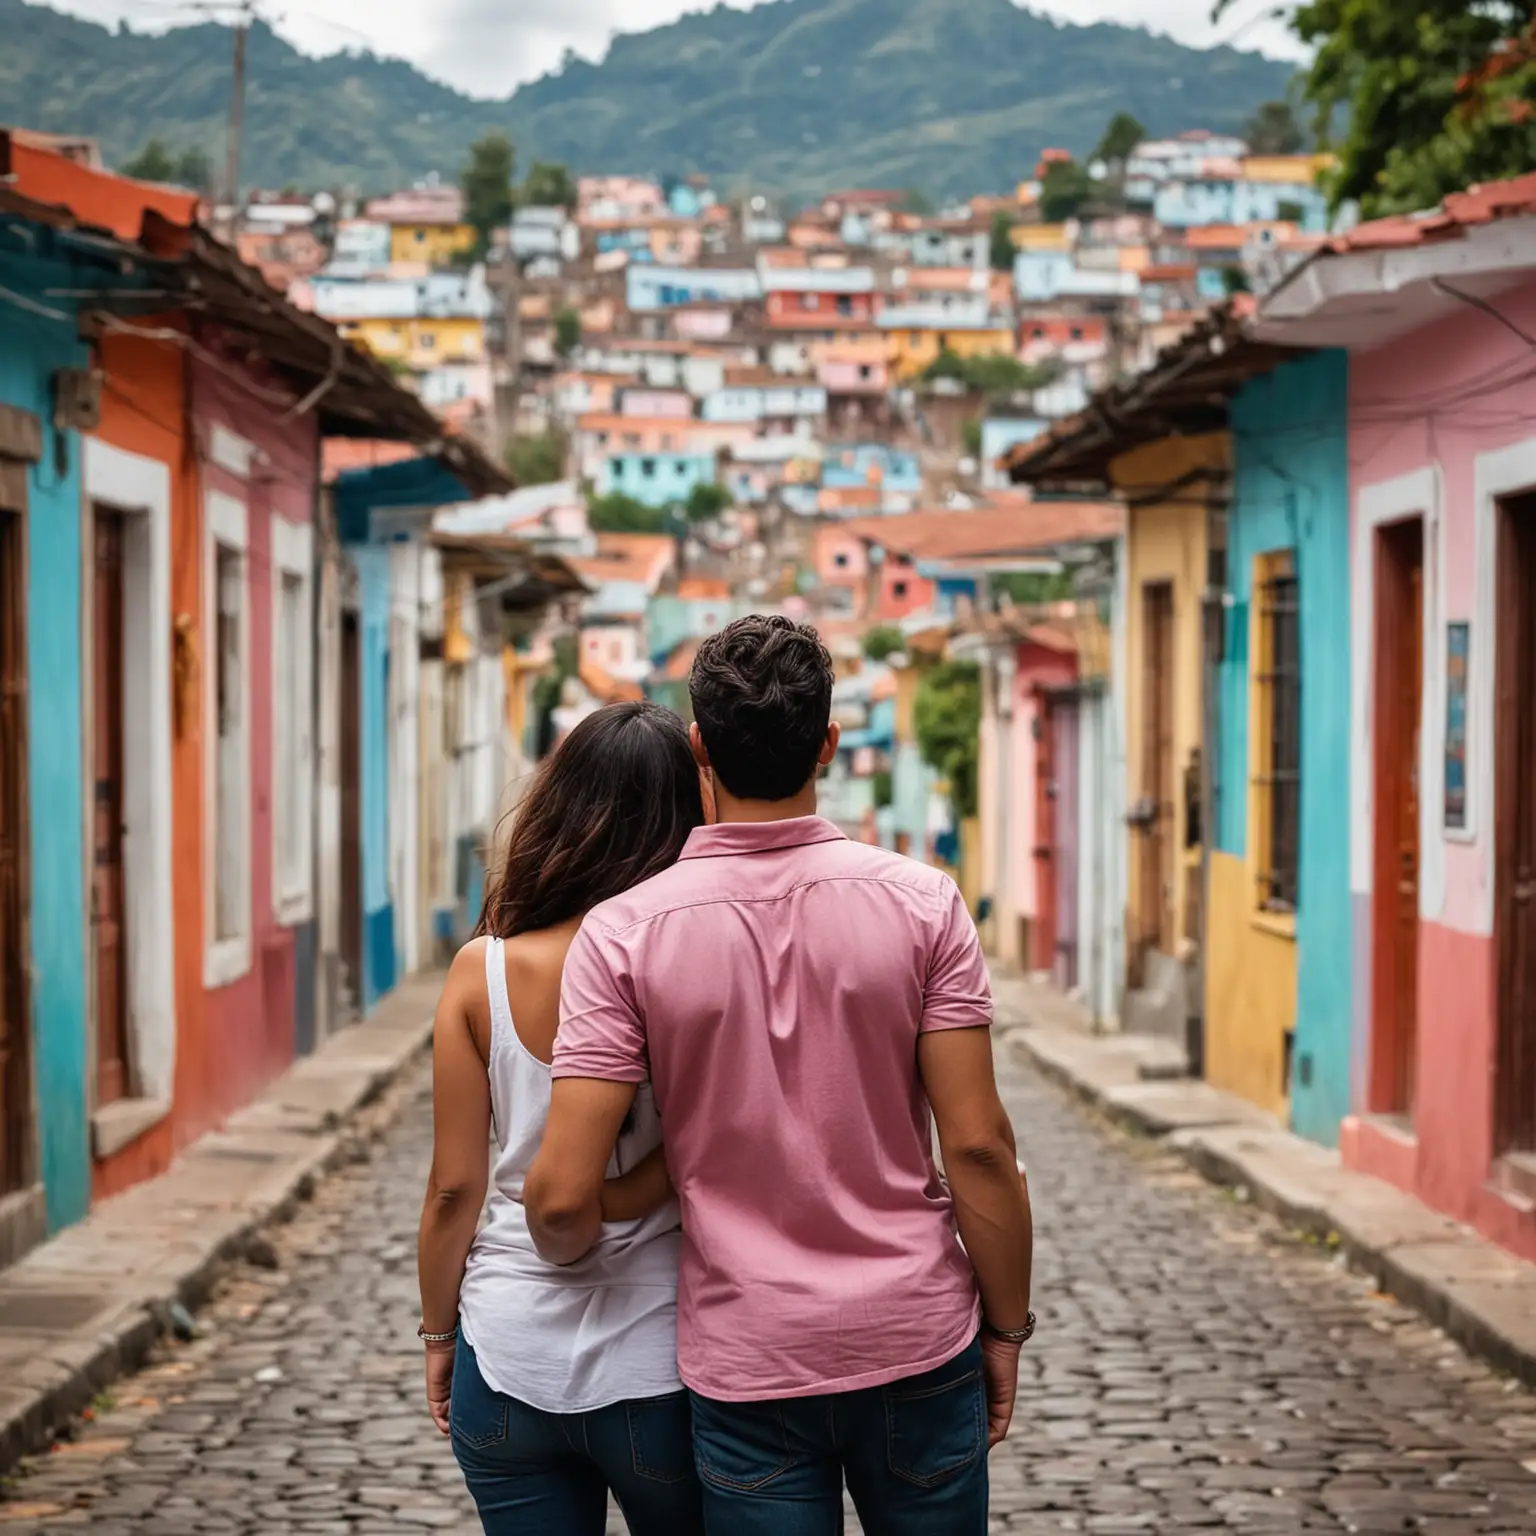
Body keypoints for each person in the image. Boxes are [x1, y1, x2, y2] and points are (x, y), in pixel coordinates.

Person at [526, 615, 1035, 1534]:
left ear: (699, 750)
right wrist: (1005, 1328)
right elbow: (979, 1147)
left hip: (748, 1362)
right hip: (917, 1343)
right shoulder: (926, 905)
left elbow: (562, 1189)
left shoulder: (625, 934)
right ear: (830, 744)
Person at [416, 702, 709, 1536]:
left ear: (560, 807)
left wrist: (441, 1334)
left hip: (507, 1360)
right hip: (663, 1366)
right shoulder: (693, 964)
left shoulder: (484, 972)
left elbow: (451, 1190)